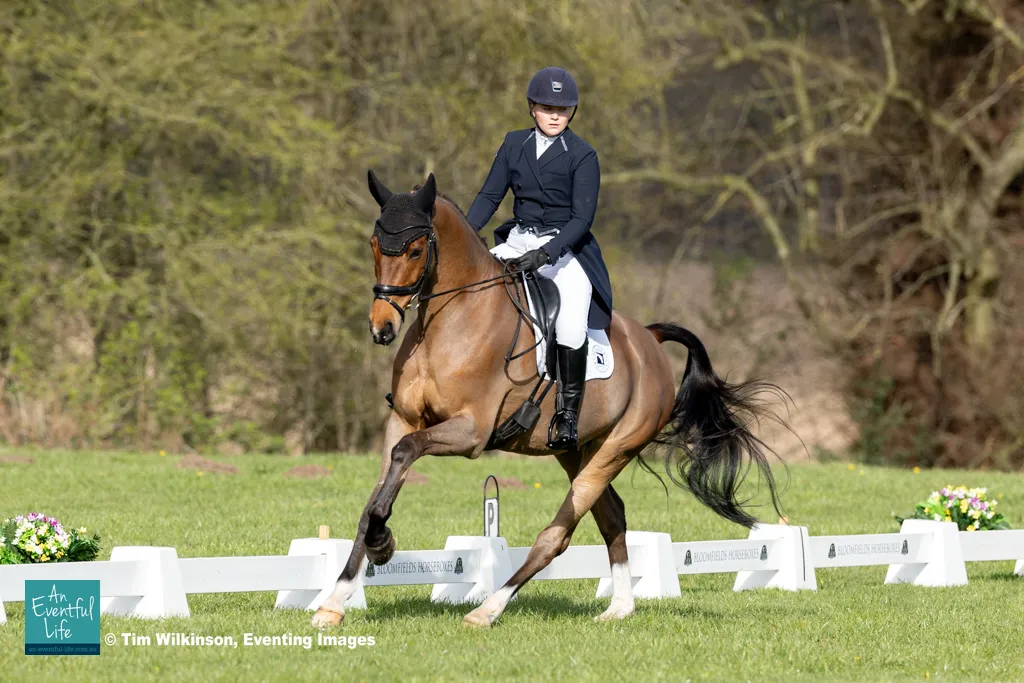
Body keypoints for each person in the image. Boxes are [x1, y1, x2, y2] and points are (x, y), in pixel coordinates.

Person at [466, 66, 614, 451]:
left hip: (565, 251)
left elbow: (582, 219)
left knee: (568, 326)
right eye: (547, 107)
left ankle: (566, 416)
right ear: (532, 107)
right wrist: (466, 236)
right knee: (465, 287)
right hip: (517, 241)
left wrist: (546, 253)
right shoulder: (513, 144)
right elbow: (489, 198)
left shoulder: (583, 155)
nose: (554, 115)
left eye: (562, 109)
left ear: (572, 113)